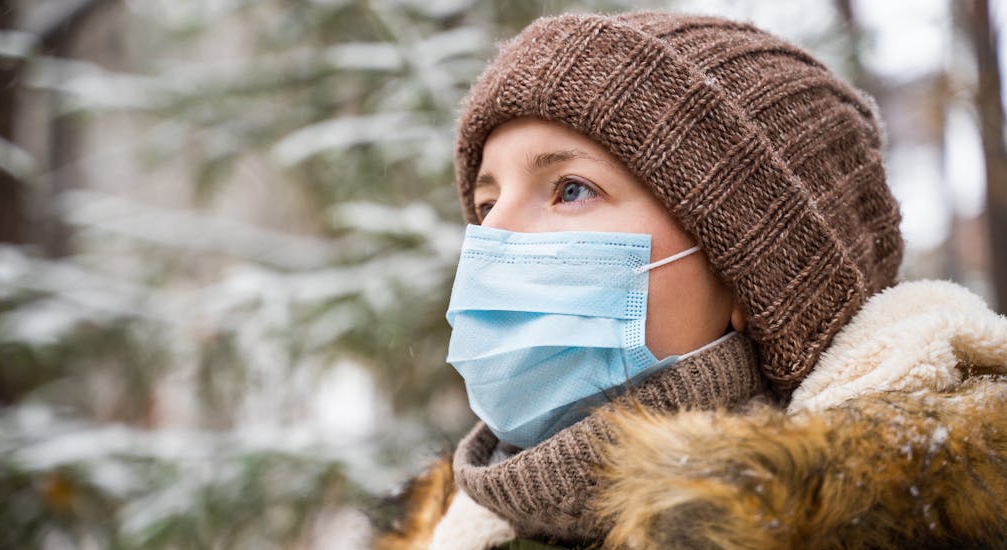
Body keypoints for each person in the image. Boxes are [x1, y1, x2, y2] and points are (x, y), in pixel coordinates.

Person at [373, 10, 1007, 550]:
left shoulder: (922, 522)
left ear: (751, 278)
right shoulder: (445, 530)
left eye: (571, 189)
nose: (494, 238)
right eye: (486, 206)